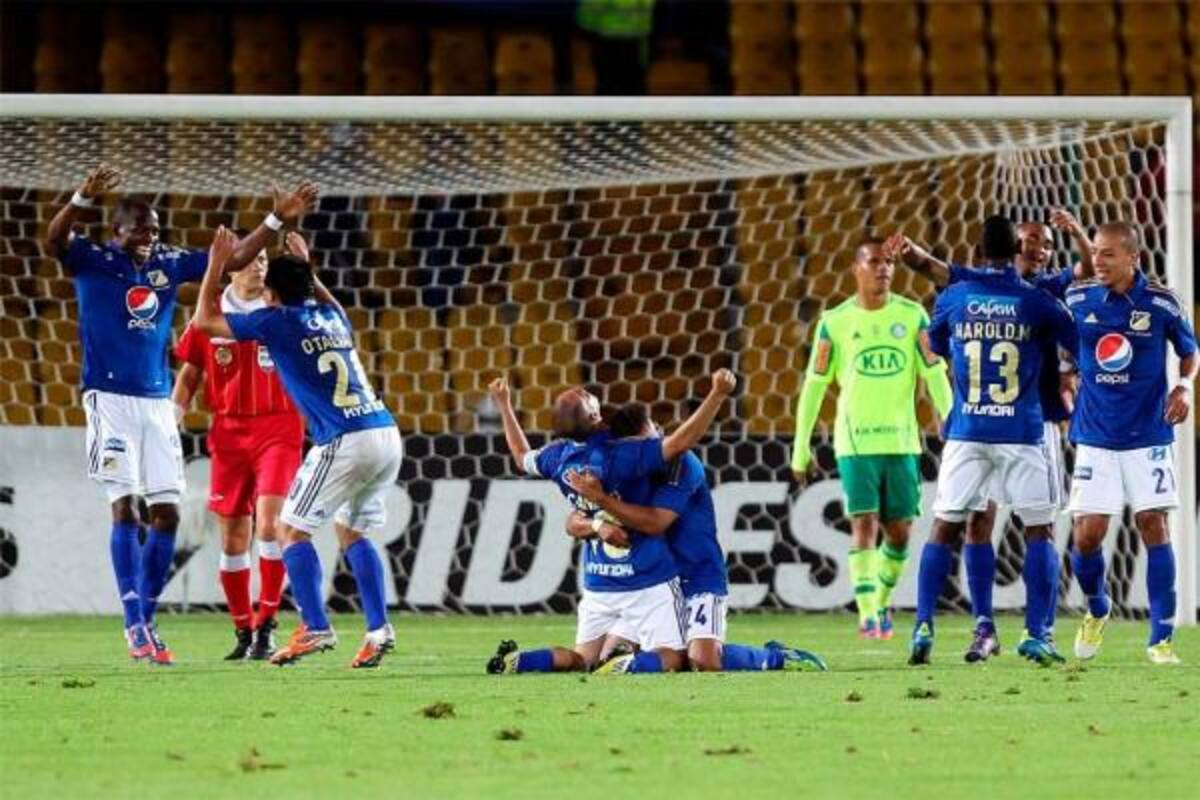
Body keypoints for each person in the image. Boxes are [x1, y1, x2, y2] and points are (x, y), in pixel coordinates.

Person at [44, 164, 315, 664]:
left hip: (155, 401)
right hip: (108, 399)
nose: (150, 237)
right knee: (125, 505)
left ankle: (147, 619)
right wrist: (81, 195)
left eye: (155, 229)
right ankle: (133, 624)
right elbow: (55, 239)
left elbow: (232, 258)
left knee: (166, 512)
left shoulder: (167, 262)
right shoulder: (92, 258)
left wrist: (274, 222)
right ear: (117, 230)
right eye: (140, 229)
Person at [886, 208, 1092, 660]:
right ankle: (1034, 631)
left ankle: (923, 626)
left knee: (944, 526)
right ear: (1017, 248)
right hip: (1022, 430)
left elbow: (935, 343)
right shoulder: (1041, 302)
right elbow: (1078, 345)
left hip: (968, 429)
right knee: (1039, 529)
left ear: (979, 251)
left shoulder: (957, 295)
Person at [192, 227, 401, 669]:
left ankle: (316, 627)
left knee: (289, 531)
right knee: (353, 532)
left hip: (344, 438)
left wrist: (214, 265)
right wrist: (309, 269)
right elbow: (331, 302)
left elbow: (204, 323)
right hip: (385, 433)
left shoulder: (276, 321)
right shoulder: (332, 318)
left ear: (271, 294)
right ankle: (379, 629)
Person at [485, 373, 733, 675]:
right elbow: (679, 443)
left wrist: (504, 404)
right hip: (649, 577)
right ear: (594, 414)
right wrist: (717, 395)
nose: (583, 389)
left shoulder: (557, 459)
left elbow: (522, 457)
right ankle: (628, 665)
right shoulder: (623, 455)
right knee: (675, 658)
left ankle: (521, 661)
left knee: (582, 659)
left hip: (599, 580)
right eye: (583, 394)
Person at [564, 403, 826, 673]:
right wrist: (595, 522)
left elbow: (656, 522)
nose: (651, 442)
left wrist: (603, 501)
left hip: (697, 574)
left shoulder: (682, 464)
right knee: (610, 658)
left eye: (651, 434)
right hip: (652, 585)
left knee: (703, 661)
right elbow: (573, 519)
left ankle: (777, 657)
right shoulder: (619, 474)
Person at [791, 239, 953, 640]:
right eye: (874, 262)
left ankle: (878, 598)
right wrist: (801, 446)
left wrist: (954, 422)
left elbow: (933, 372)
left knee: (899, 533)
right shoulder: (835, 321)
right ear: (856, 269)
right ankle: (867, 614)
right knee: (863, 524)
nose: (883, 269)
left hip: (902, 442)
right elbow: (814, 385)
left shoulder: (913, 316)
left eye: (889, 263)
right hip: (855, 441)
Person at [172, 234, 313, 660]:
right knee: (233, 536)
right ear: (230, 267)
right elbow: (190, 375)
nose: (259, 265)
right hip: (229, 433)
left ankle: (266, 623)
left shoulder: (280, 310)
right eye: (251, 260)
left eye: (265, 259)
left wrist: (305, 271)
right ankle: (242, 630)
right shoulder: (212, 315)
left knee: (270, 525)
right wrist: (171, 422)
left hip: (280, 427)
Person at [1063, 222, 1196, 665]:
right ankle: (1098, 606)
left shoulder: (1162, 303)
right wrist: (1064, 382)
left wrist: (1184, 387)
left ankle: (1160, 639)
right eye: (1095, 253)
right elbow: (1063, 348)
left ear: (1132, 257)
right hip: (1096, 437)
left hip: (1147, 437)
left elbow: (1190, 352)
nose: (1097, 262)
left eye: (1107, 255)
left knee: (1154, 526)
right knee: (1087, 536)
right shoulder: (1079, 299)